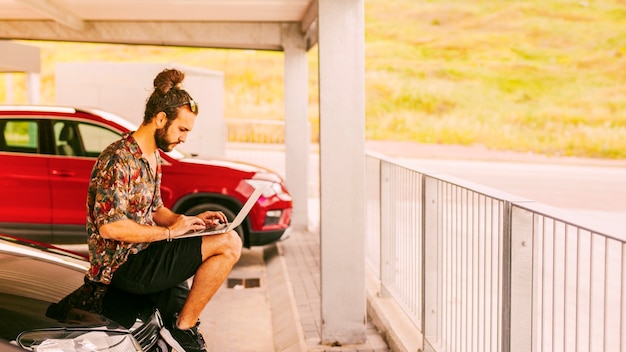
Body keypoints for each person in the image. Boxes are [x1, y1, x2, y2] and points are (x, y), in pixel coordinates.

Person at [84, 68, 242, 352]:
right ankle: (183, 329)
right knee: (229, 243)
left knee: (223, 238)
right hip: (121, 268)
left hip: (146, 255)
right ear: (160, 119)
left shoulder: (152, 156)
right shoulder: (118, 159)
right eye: (182, 129)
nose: (184, 139)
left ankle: (184, 329)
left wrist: (187, 221)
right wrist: (170, 232)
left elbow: (155, 209)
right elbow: (111, 227)